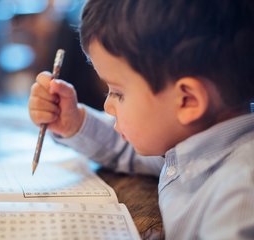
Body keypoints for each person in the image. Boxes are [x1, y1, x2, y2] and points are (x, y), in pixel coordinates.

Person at [28, 0, 254, 239]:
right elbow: (124, 148)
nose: (108, 105)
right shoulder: (190, 142)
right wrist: (74, 122)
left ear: (188, 101)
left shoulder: (240, 197)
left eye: (118, 92)